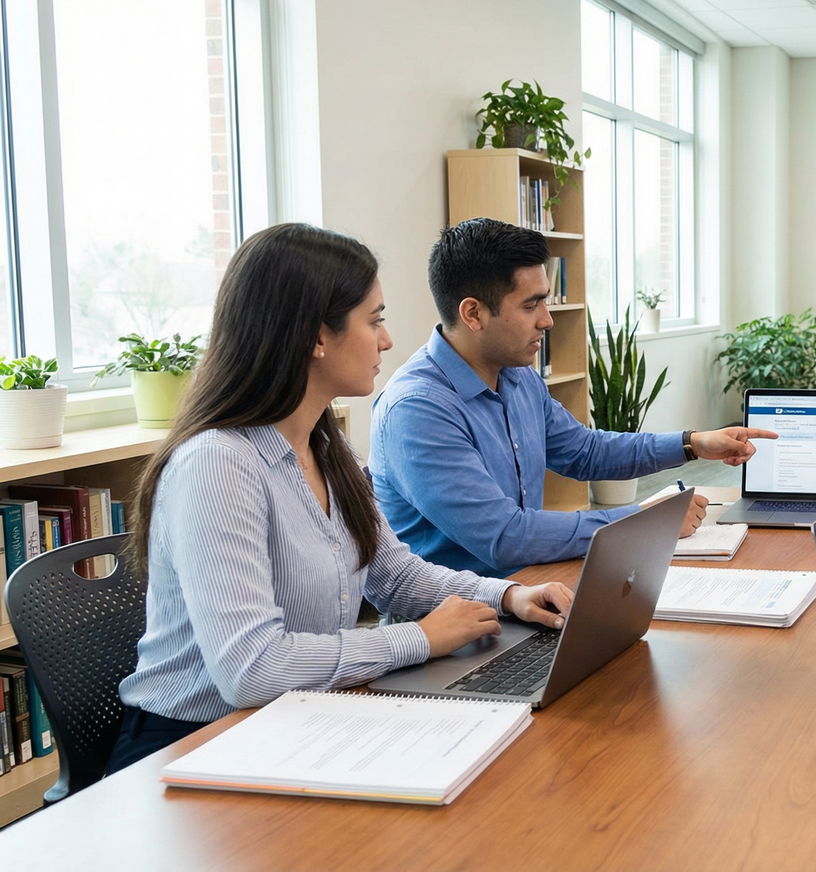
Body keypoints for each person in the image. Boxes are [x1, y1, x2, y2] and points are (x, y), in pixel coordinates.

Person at [108, 224, 574, 773]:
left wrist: (509, 596)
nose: (387, 340)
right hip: (195, 744)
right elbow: (250, 670)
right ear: (316, 336)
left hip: (299, 719)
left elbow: (395, 576)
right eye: (374, 320)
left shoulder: (325, 444)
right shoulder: (217, 465)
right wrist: (419, 639)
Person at [369, 218, 776, 576]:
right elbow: (505, 536)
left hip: (532, 586)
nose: (547, 320)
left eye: (545, 300)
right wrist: (643, 521)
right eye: (531, 305)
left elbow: (584, 452)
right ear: (473, 314)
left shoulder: (517, 377)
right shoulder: (417, 409)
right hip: (452, 619)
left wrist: (692, 443)